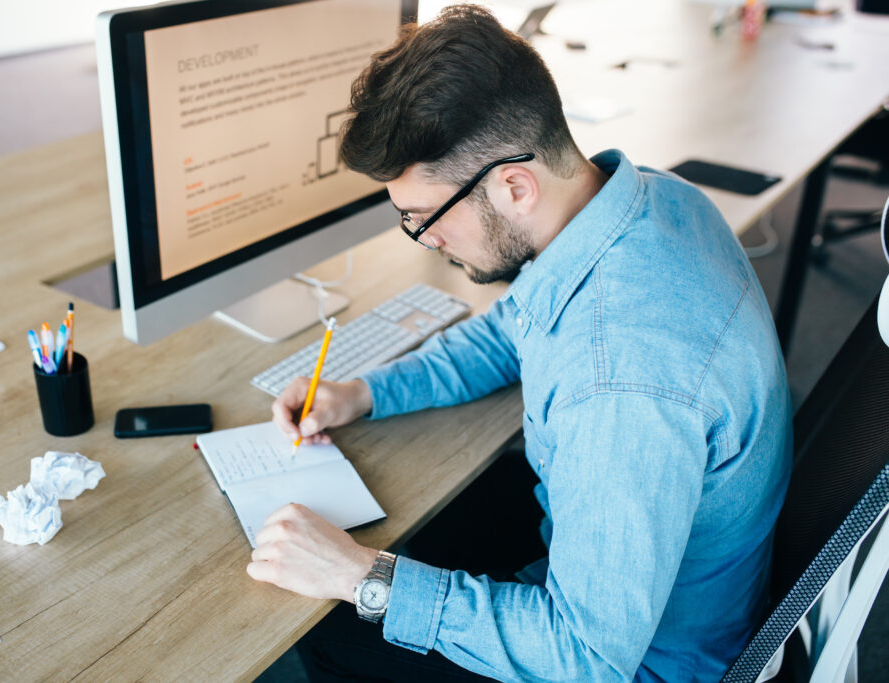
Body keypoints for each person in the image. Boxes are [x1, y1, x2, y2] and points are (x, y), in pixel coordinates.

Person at [246, 5, 792, 681]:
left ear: (513, 185)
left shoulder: (617, 380)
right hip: (631, 565)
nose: (427, 240)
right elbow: (518, 326)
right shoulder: (655, 201)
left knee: (335, 626)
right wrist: (362, 392)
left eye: (421, 218)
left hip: (638, 659)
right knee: (402, 532)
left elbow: (585, 657)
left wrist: (365, 578)